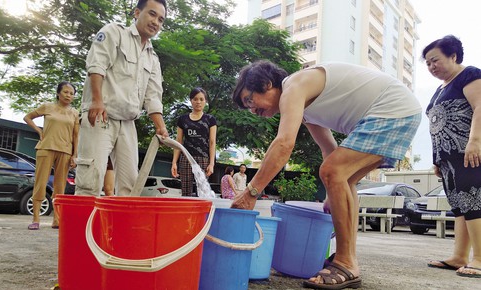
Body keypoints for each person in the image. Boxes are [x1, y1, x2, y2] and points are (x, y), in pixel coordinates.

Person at [230, 60, 422, 289]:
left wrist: (251, 192)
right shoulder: (306, 108)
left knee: (333, 171)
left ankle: (346, 261)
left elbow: (283, 144)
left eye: (250, 100)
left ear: (267, 83)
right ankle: (347, 258)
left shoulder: (293, 86)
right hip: (399, 111)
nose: (253, 110)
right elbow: (328, 149)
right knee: (341, 175)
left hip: (392, 109)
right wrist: (333, 190)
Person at [75, 0, 169, 197]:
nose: (156, 22)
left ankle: (118, 228)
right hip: (101, 115)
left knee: (130, 185)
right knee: (91, 180)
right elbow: (96, 65)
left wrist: (160, 126)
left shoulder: (153, 58)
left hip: (127, 123)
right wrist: (97, 101)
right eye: (152, 14)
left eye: (161, 19)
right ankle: (81, 227)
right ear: (137, 12)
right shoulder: (114, 32)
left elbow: (153, 95)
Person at [422, 35, 481, 278]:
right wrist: (437, 159)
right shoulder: (440, 89)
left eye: (435, 60)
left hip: (469, 152)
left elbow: (480, 106)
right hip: (448, 158)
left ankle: (479, 258)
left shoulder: (469, 75)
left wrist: (475, 140)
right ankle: (459, 256)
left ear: (453, 56)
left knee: (474, 202)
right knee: (459, 206)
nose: (431, 66)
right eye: (427, 63)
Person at [23, 81, 79, 230]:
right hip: (46, 148)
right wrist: (39, 131)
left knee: (60, 187)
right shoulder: (47, 107)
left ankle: (57, 219)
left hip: (65, 151)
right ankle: (36, 219)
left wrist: (75, 155)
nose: (68, 95)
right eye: (66, 92)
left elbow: (76, 136)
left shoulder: (75, 113)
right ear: (58, 93)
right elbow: (27, 117)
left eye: (71, 93)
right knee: (40, 183)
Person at [171, 87, 217, 196]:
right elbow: (178, 142)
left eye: (201, 99)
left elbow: (212, 142)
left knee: (202, 192)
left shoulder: (210, 119)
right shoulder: (183, 119)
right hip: (186, 158)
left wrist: (211, 163)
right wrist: (174, 162)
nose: (198, 102)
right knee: (186, 192)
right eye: (195, 99)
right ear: (191, 100)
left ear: (205, 101)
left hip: (203, 159)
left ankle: (200, 213)